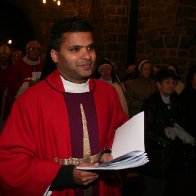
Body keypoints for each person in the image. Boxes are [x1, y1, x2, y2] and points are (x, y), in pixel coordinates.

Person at [0, 16, 128, 195]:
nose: (87, 56)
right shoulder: (31, 101)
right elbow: (10, 160)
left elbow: (119, 131)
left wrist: (110, 151)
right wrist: (64, 175)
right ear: (55, 55)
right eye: (75, 49)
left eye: (90, 47)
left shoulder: (107, 93)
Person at [141, 68, 195, 196]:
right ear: (159, 84)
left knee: (169, 189)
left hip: (172, 158)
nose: (171, 85)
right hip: (156, 156)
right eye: (167, 82)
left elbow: (182, 122)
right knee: (153, 189)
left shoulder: (176, 102)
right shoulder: (150, 103)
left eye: (173, 83)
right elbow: (147, 130)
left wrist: (180, 133)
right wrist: (165, 141)